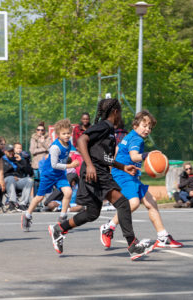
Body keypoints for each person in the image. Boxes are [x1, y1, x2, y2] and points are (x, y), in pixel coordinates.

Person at [47, 98, 154, 260]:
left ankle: (59, 229)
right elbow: (82, 140)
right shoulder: (103, 126)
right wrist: (89, 165)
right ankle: (133, 245)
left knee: (92, 213)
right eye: (120, 112)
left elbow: (104, 157)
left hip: (98, 170)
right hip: (95, 171)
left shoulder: (108, 130)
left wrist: (122, 167)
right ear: (115, 112)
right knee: (124, 203)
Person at [100, 110, 183, 250]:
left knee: (151, 202)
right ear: (135, 125)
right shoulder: (136, 139)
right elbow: (134, 156)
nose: (147, 129)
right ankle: (109, 227)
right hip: (122, 175)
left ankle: (163, 236)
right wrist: (148, 155)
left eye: (150, 127)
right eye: (144, 126)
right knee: (133, 203)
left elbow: (119, 151)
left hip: (128, 174)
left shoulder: (129, 136)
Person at [21, 119, 79, 230]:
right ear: (58, 134)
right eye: (64, 133)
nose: (67, 135)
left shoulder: (68, 144)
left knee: (68, 192)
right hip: (49, 174)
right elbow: (54, 165)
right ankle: (27, 215)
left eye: (68, 133)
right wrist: (70, 166)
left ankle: (62, 217)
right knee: (39, 197)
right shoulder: (55, 147)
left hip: (60, 175)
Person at [2, 144, 34, 210]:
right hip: (6, 181)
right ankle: (13, 202)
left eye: (12, 151)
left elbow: (30, 172)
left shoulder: (17, 159)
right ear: (5, 152)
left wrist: (21, 161)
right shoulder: (2, 160)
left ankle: (23, 204)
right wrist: (12, 176)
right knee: (11, 178)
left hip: (18, 180)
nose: (11, 153)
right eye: (9, 151)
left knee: (29, 180)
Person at [29, 122, 50, 194]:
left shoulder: (48, 138)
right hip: (36, 164)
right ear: (36, 130)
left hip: (45, 164)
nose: (40, 131)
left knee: (44, 181)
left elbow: (50, 149)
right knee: (36, 182)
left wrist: (43, 142)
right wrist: (44, 149)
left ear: (44, 131)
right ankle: (36, 200)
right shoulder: (33, 138)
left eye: (42, 130)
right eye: (38, 130)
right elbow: (32, 151)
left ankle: (44, 200)